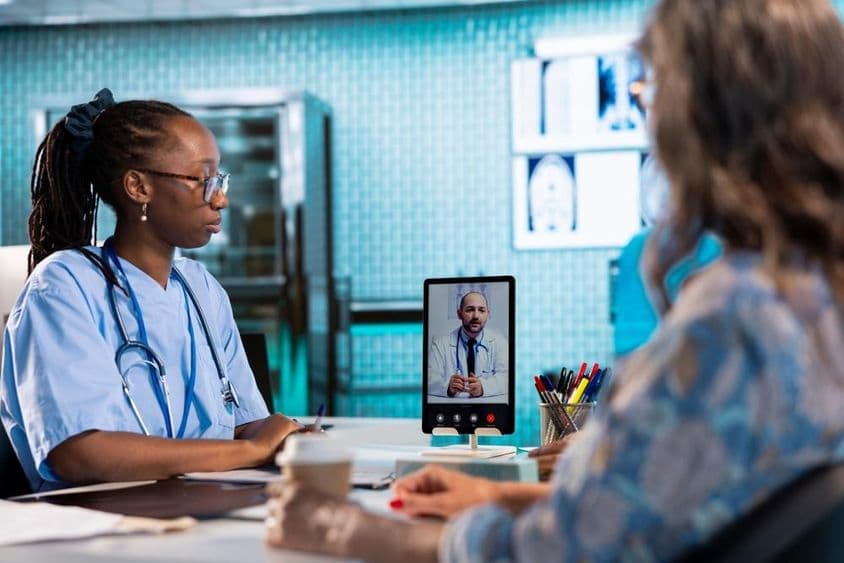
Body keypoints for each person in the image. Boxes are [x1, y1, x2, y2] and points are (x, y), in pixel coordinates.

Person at [265, 0, 844, 560]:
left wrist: (350, 530)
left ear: (708, 113)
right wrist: (497, 493)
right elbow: (666, 508)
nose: (646, 110)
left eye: (653, 87)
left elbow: (558, 552)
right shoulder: (815, 291)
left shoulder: (729, 321)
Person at [0, 89, 303, 492]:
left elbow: (244, 422)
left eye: (220, 179)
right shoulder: (63, 285)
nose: (221, 198)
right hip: (100, 531)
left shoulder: (201, 289)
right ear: (138, 187)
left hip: (198, 508)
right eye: (203, 180)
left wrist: (286, 438)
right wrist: (254, 451)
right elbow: (78, 455)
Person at [427, 291, 508, 399]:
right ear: (459, 314)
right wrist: (448, 386)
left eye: (481, 310)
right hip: (453, 409)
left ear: (488, 314)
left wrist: (483, 387)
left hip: (487, 408)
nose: (476, 316)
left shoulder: (499, 342)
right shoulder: (440, 344)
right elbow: (429, 379)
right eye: (470, 310)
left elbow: (507, 377)